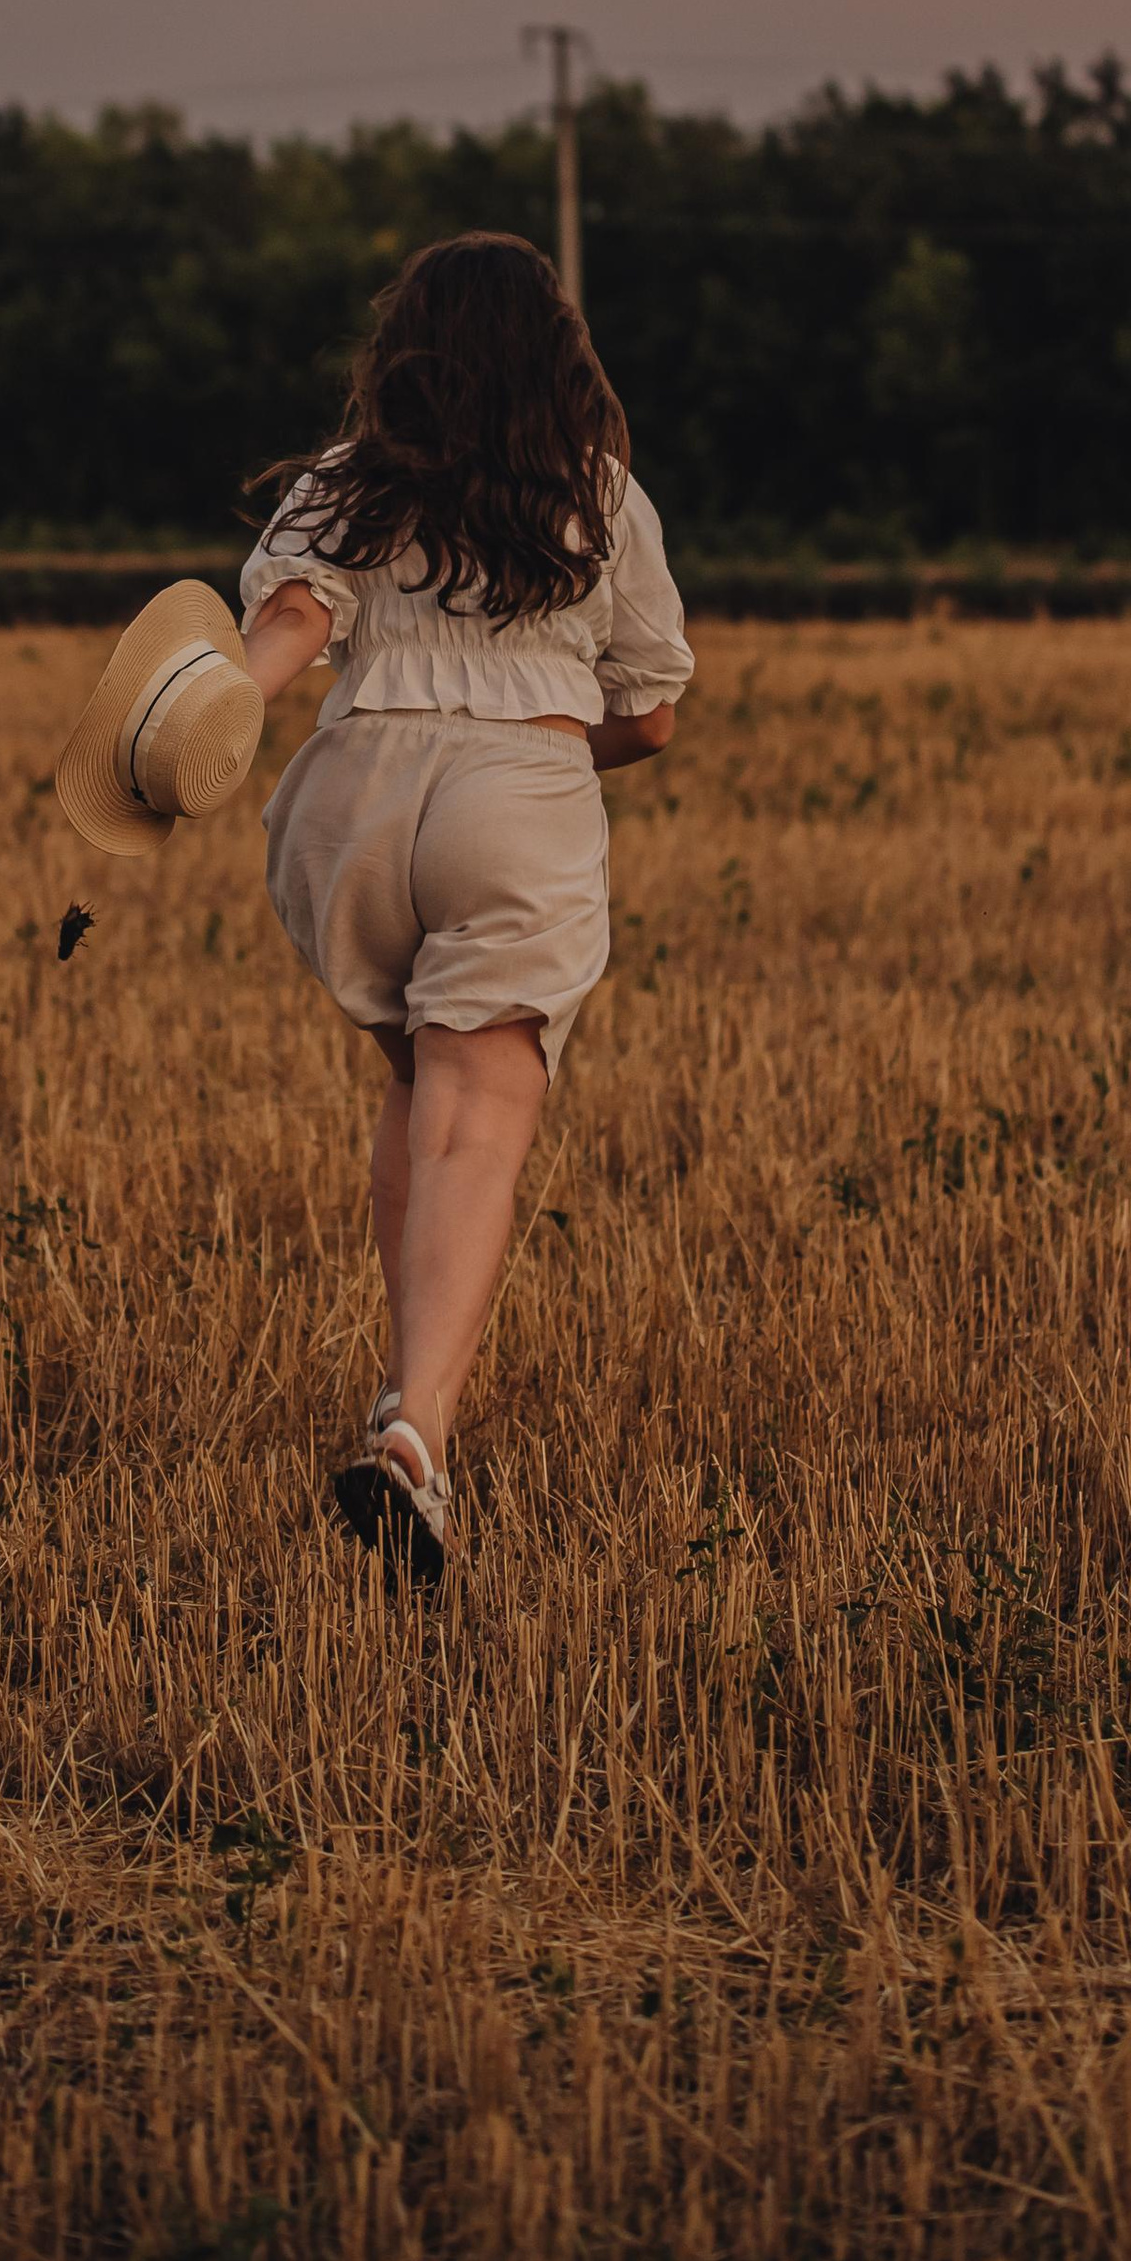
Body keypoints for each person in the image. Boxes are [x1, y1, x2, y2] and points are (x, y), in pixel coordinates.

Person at [233, 230, 692, 1585]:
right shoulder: (597, 494)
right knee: (478, 1112)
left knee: (419, 1086)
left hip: (351, 807)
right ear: (557, 352)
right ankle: (416, 1431)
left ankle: (405, 1382)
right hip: (515, 804)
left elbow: (287, 629)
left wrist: (188, 729)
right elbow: (651, 716)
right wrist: (534, 745)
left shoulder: (345, 482)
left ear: (406, 349)